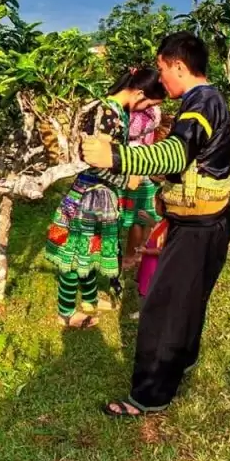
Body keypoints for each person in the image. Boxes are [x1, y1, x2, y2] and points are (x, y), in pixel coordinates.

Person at [82, 32, 230, 417]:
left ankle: (149, 396)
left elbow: (174, 154)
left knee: (163, 308)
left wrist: (115, 156)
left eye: (163, 67)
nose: (161, 76)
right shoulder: (208, 100)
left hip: (200, 227)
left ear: (179, 66)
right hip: (207, 220)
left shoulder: (201, 102)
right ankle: (180, 362)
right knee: (187, 302)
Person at [44, 68, 166, 327]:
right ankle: (65, 313)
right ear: (140, 93)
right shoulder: (106, 112)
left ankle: (88, 301)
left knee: (90, 251)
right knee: (74, 255)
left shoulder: (119, 112)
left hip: (103, 196)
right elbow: (93, 160)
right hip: (89, 194)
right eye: (150, 104)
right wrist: (125, 179)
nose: (147, 110)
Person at [112, 100, 163, 303]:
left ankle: (131, 255)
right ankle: (140, 251)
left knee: (134, 217)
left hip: (133, 166)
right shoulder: (154, 112)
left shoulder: (134, 115)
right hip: (148, 164)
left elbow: (129, 135)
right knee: (144, 215)